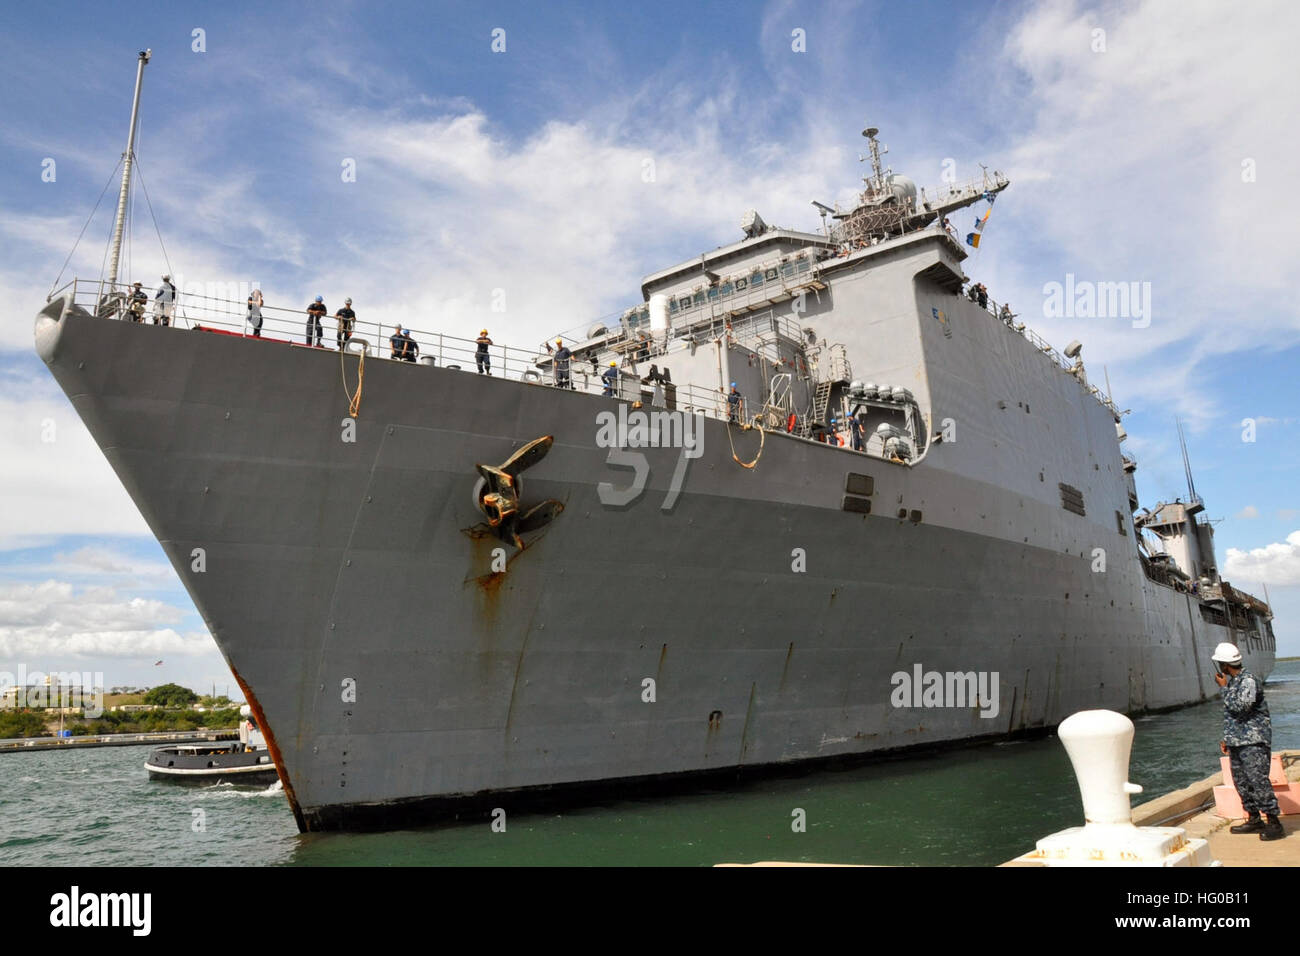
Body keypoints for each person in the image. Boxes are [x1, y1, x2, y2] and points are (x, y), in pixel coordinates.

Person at [1213, 642, 1284, 841]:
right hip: (1237, 741)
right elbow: (1232, 716)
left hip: (1253, 741)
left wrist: (1223, 688)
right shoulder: (1235, 682)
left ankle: (1274, 823)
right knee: (1242, 782)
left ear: (1225, 665)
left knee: (1258, 781)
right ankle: (1254, 818)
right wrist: (1227, 738)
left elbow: (1241, 707)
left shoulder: (1248, 681)